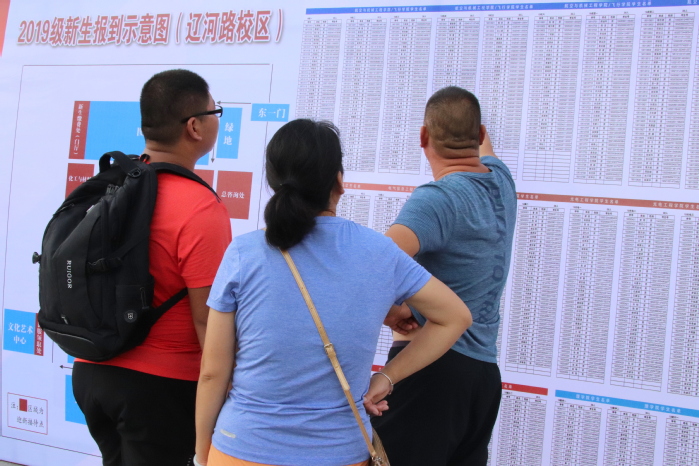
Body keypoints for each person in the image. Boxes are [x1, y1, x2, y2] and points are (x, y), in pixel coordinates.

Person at [194, 119, 472, 466]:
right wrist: (387, 377)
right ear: (339, 181)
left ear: (274, 182)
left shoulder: (243, 253)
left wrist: (202, 454)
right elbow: (455, 317)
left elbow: (212, 372)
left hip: (240, 449)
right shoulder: (379, 253)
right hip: (339, 452)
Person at [72, 69, 232, 466]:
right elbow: (207, 320)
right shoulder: (200, 206)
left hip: (91, 372)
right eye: (215, 112)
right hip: (159, 387)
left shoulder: (113, 184)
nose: (217, 121)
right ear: (194, 127)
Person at [371, 86, 517, 466]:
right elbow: (486, 149)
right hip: (482, 379)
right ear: (479, 133)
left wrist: (390, 311)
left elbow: (372, 263)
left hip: (429, 372)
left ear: (423, 137)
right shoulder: (502, 181)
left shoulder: (437, 200)